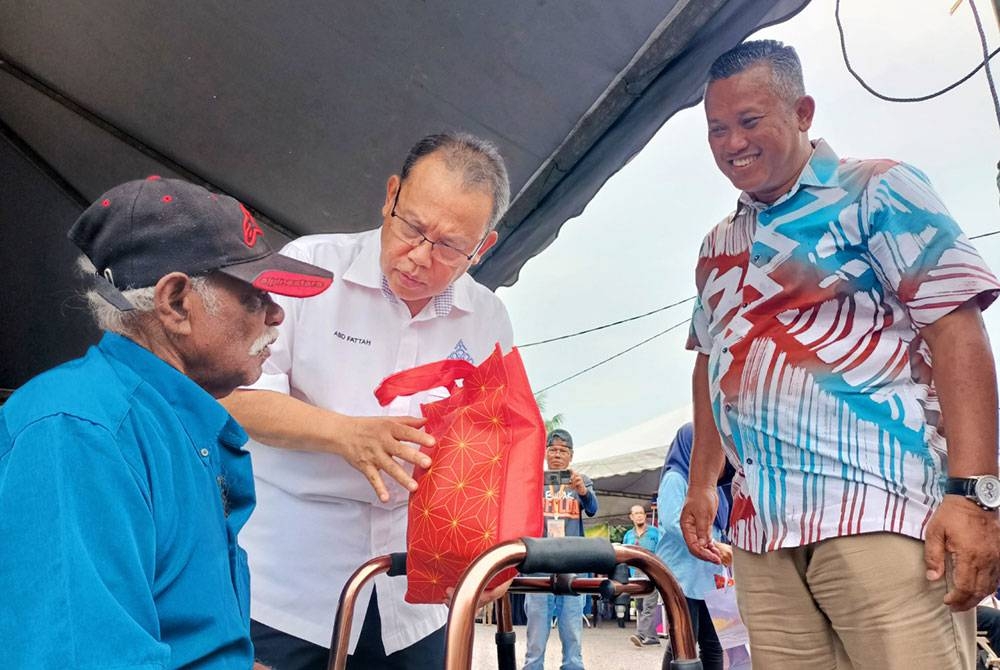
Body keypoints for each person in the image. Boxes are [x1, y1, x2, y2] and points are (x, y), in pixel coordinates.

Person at [680, 39, 1000, 669]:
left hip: (878, 510)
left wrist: (974, 495)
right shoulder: (719, 243)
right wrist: (701, 485)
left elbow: (957, 331)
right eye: (717, 129)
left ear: (802, 112)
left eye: (749, 121)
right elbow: (711, 361)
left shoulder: (877, 190)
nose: (731, 143)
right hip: (762, 533)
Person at [0, 176, 333, 667]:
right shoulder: (78, 431)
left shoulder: (175, 417)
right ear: (176, 303)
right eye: (253, 295)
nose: (276, 315)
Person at [220, 132, 513, 670]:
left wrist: (491, 543)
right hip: (291, 585)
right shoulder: (307, 267)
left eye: (450, 247)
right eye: (413, 228)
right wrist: (347, 435)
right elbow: (239, 397)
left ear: (483, 247)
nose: (420, 258)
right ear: (391, 195)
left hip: (415, 592)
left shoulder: (488, 317)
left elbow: (491, 445)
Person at [656, 423, 732, 670]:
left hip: (711, 577)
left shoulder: (714, 487)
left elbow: (720, 525)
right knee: (684, 644)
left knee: (715, 643)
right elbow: (672, 521)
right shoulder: (676, 478)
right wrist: (716, 545)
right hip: (682, 576)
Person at [522, 428, 599, 670]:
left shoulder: (581, 480)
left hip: (572, 564)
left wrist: (583, 491)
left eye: (563, 451)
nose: (557, 455)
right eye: (553, 450)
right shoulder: (534, 480)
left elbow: (593, 509)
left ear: (571, 455)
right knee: (535, 636)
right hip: (539, 564)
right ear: (545, 453)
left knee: (572, 633)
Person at [622, 503, 661, 647]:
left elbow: (663, 551)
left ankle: (640, 634)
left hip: (652, 573)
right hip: (635, 575)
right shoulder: (628, 535)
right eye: (636, 513)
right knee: (639, 605)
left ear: (645, 516)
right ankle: (652, 637)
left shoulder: (655, 532)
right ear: (631, 517)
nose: (639, 516)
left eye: (641, 513)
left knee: (648, 606)